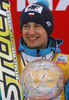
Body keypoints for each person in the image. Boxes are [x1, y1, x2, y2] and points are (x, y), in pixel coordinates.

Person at [17, 0, 69, 100]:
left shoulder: (66, 64)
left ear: (47, 29)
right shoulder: (9, 63)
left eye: (37, 26)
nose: (31, 32)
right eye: (26, 26)